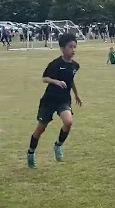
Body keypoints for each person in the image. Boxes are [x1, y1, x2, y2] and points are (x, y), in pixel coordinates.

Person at [27, 33, 82, 168]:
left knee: (68, 122)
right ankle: (31, 153)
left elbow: (71, 80)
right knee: (41, 128)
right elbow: (44, 78)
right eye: (70, 47)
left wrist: (76, 94)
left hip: (63, 100)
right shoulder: (55, 63)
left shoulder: (75, 65)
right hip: (49, 101)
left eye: (75, 47)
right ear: (62, 48)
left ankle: (58, 146)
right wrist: (56, 81)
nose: (73, 49)